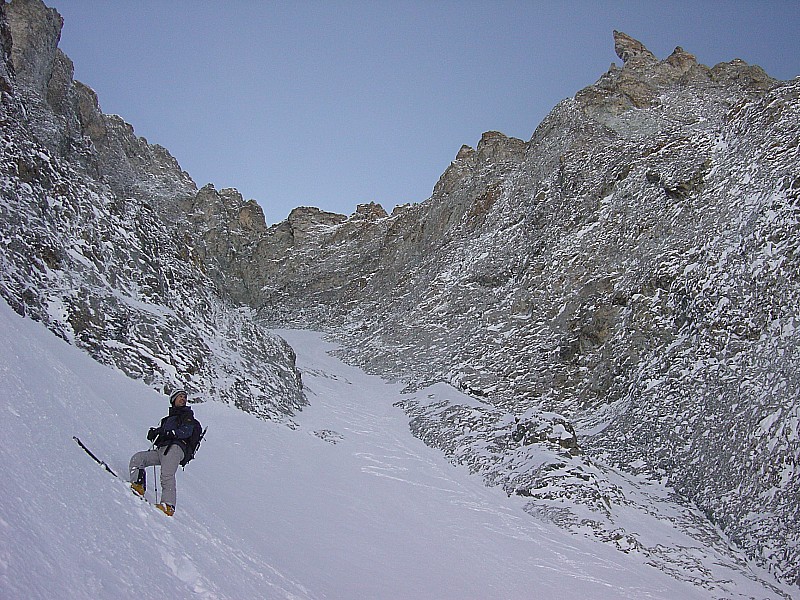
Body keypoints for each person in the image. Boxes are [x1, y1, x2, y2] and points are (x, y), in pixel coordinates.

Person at [129, 389, 197, 516]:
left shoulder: (187, 416)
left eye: (184, 397)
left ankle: (168, 505)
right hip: (163, 449)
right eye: (180, 397)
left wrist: (168, 433)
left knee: (166, 475)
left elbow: (186, 432)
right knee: (138, 459)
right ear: (173, 399)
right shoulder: (168, 419)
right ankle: (138, 485)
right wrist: (155, 434)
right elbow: (163, 435)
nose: (183, 399)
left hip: (176, 449)